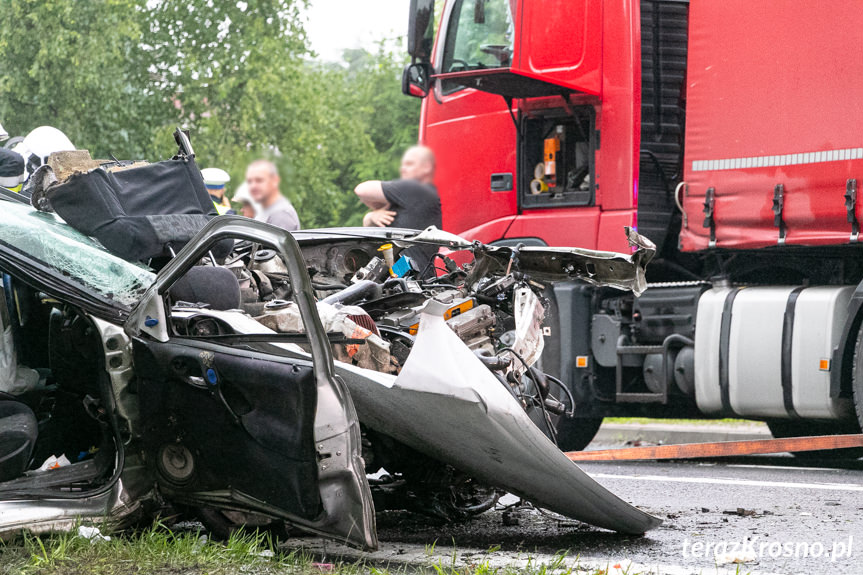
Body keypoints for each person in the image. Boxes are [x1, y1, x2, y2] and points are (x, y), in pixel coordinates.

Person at [354, 145, 442, 271]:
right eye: (402, 165)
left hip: (411, 280)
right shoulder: (410, 202)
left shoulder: (416, 189)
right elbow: (369, 226)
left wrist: (371, 215)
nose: (403, 169)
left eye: (409, 164)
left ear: (426, 167)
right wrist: (371, 216)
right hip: (408, 279)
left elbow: (361, 190)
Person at [245, 159, 300, 231]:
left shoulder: (280, 213)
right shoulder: (266, 210)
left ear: (275, 181)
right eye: (249, 182)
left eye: (259, 180)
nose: (253, 186)